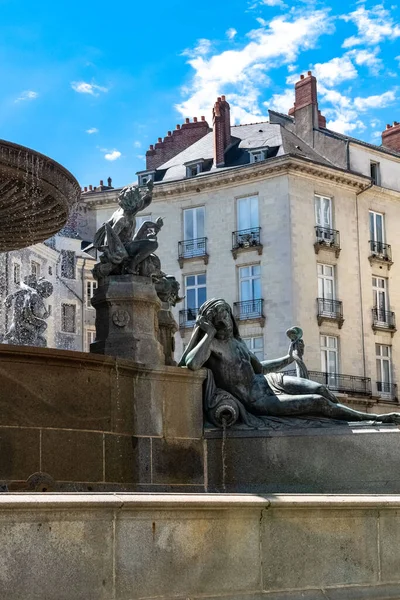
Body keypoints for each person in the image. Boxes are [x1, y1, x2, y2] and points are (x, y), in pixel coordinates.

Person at [179, 298, 400, 424]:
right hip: (257, 400)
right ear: (211, 322)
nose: (224, 320)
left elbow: (260, 368)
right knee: (318, 402)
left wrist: (289, 357)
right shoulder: (211, 346)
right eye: (218, 317)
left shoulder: (238, 343)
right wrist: (206, 334)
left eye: (226, 314)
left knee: (321, 389)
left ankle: (356, 418)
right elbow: (191, 363)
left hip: (269, 381)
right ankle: (371, 419)